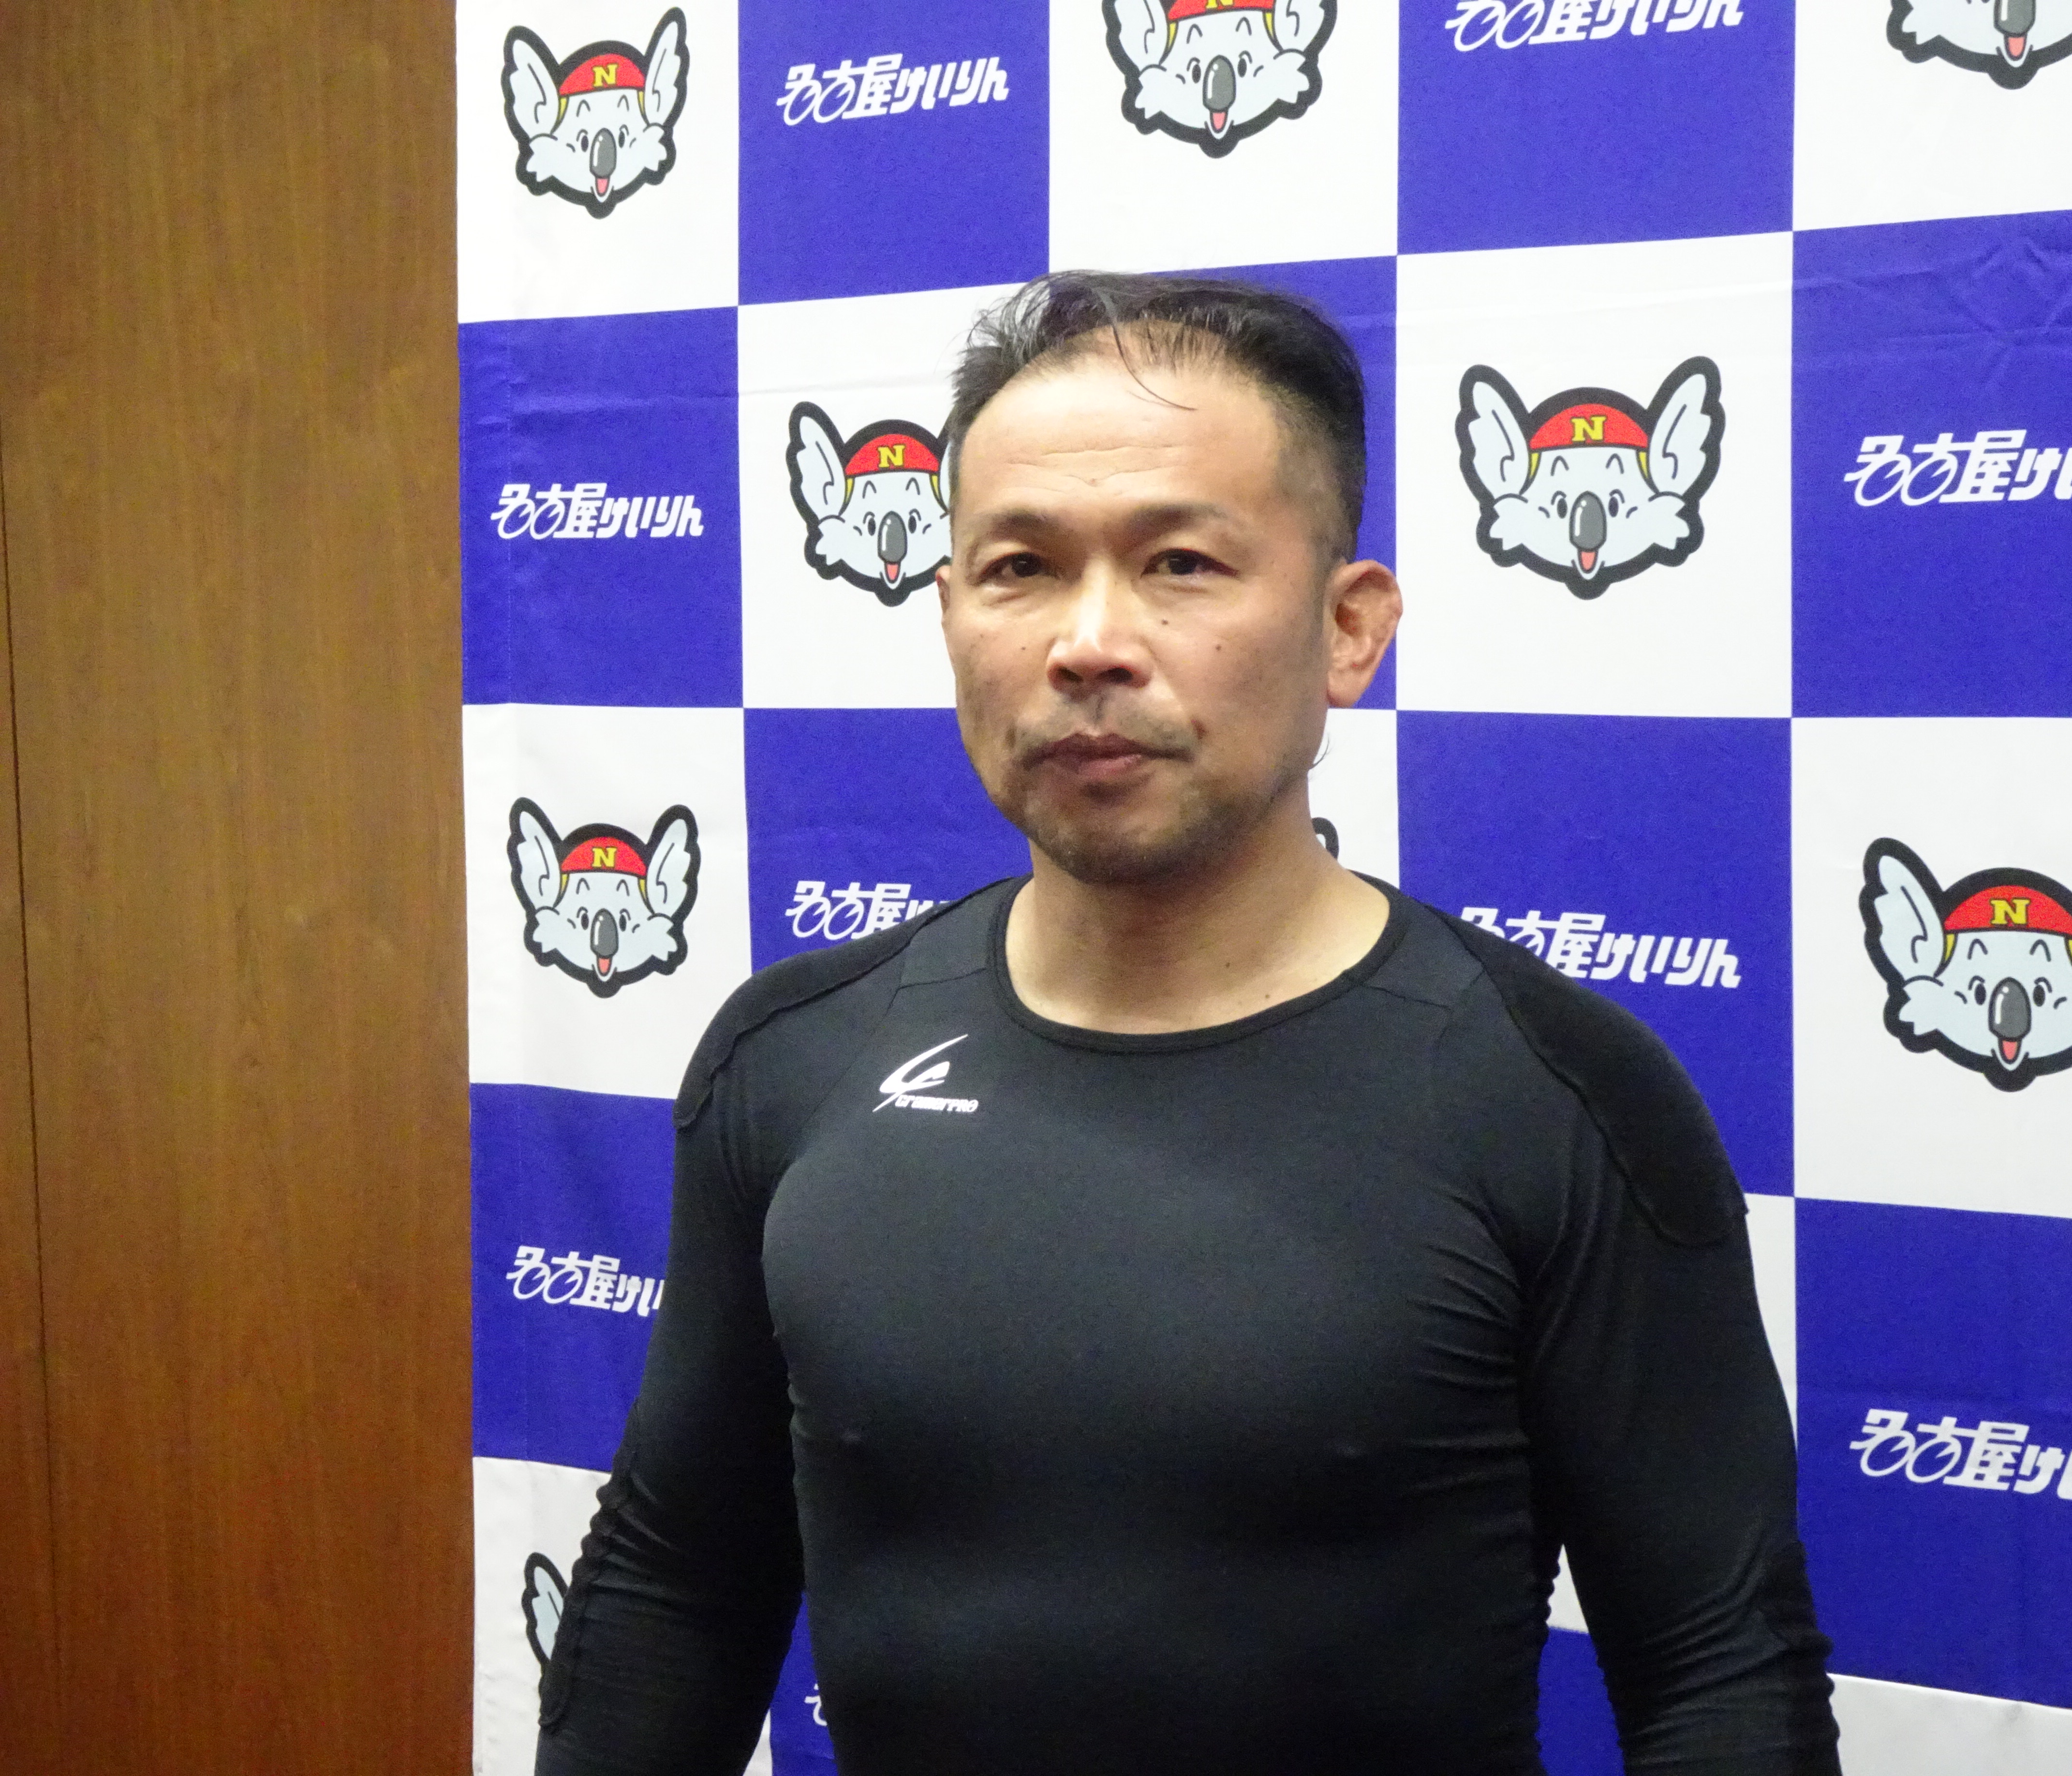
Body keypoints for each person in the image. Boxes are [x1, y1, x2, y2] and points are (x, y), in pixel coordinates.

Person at [533, 272, 1841, 1776]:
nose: (1090, 643)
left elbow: (1719, 1675)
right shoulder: (798, 1060)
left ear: (1349, 628)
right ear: (950, 614)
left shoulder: (1556, 1100)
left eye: (1181, 564)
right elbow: (674, 1592)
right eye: (1022, 568)